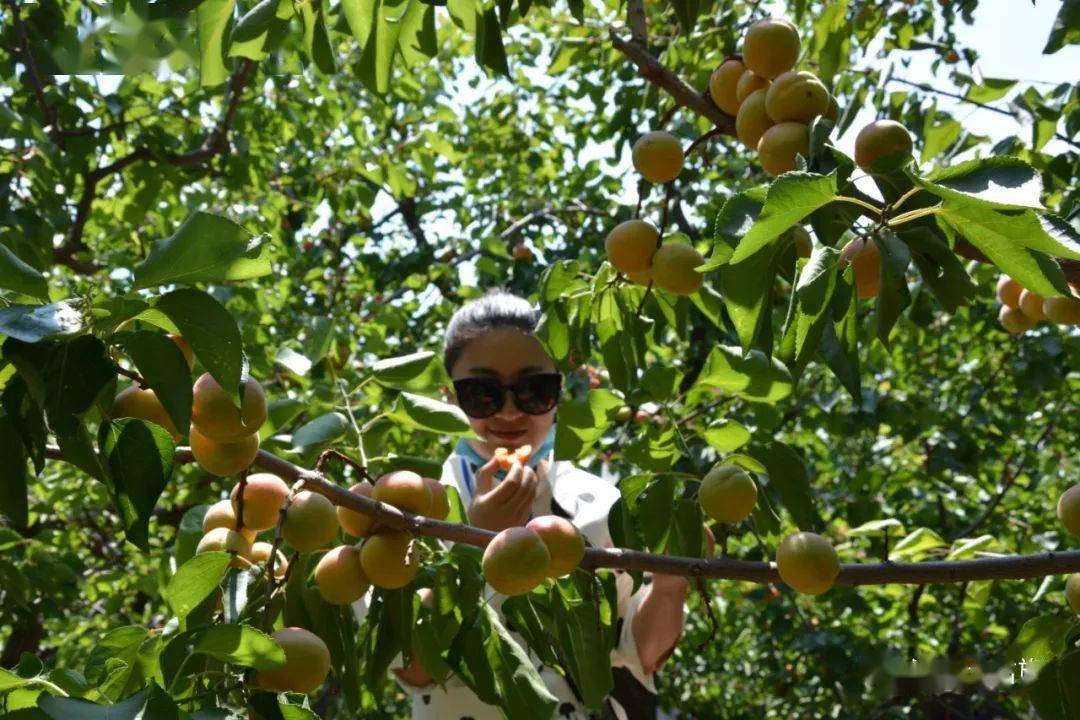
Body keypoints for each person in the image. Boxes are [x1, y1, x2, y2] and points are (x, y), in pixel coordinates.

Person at [390, 289, 689, 720]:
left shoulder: (603, 506)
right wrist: (472, 545)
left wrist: (670, 582)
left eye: (533, 390)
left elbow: (639, 656)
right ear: (450, 397)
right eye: (482, 393)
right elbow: (415, 670)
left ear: (560, 391)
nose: (510, 413)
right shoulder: (411, 511)